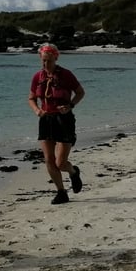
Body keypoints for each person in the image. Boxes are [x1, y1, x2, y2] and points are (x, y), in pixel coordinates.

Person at [28, 43, 86, 205]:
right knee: (48, 160)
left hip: (64, 120)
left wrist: (70, 106)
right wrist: (37, 110)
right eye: (43, 61)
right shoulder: (37, 77)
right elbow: (31, 98)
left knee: (60, 163)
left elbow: (80, 92)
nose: (45, 64)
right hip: (46, 119)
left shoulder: (66, 75)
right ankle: (61, 192)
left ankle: (73, 172)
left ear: (55, 58)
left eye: (49, 61)